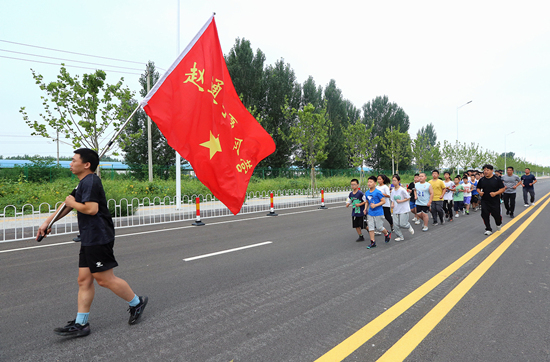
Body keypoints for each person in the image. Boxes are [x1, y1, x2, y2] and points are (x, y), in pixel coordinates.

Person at [37, 148, 148, 338]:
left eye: (74, 160)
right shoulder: (83, 183)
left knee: (104, 279)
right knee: (84, 280)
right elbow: (66, 205)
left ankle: (137, 303)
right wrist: (48, 222)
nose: (70, 164)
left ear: (86, 164)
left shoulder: (91, 181)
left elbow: (91, 209)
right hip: (89, 237)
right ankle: (81, 324)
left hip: (99, 237)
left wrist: (72, 203)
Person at [477, 164, 506, 235]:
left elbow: (503, 189)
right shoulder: (482, 180)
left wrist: (496, 193)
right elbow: (478, 188)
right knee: (484, 214)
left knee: (496, 215)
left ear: (492, 171)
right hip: (484, 200)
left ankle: (498, 223)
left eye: (487, 170)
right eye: (484, 170)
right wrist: (480, 192)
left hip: (495, 201)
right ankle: (488, 228)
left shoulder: (497, 179)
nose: (486, 172)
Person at [363, 176, 391, 248]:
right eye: (368, 182)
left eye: (371, 182)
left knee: (379, 227)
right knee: (371, 227)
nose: (369, 183)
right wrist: (365, 209)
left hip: (378, 212)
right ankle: (373, 242)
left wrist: (375, 205)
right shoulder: (367, 192)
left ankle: (387, 233)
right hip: (370, 213)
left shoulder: (378, 192)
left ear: (375, 183)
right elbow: (366, 201)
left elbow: (383, 201)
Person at [390, 175, 415, 241]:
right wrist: (392, 205)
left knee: (402, 224)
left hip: (403, 209)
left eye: (395, 180)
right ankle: (400, 236)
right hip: (395, 209)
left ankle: (408, 226)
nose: (393, 182)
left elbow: (408, 197)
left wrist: (401, 201)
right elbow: (392, 199)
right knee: (395, 225)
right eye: (392, 180)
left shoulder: (402, 190)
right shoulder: (392, 191)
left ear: (399, 181)